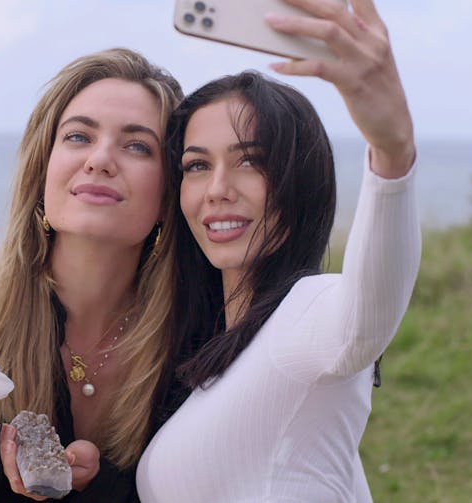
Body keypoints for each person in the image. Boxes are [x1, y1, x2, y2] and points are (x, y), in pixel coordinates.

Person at [137, 0, 421, 501]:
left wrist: (392, 152)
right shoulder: (212, 353)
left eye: (251, 162)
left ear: (299, 183)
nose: (217, 189)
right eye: (197, 166)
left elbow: (363, 320)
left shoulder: (305, 314)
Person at [0, 48, 188, 502]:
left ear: (171, 187)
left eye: (137, 145)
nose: (100, 160)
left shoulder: (196, 330)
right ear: (43, 165)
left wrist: (101, 485)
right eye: (78, 137)